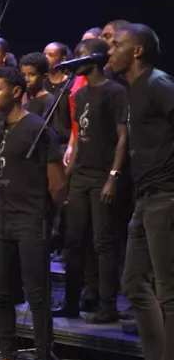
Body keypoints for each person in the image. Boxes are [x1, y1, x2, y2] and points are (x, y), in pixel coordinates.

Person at [0, 67, 65, 360]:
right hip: (3, 219)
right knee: (0, 291)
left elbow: (57, 184)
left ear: (16, 91)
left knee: (37, 296)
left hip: (31, 219)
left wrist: (50, 217)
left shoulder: (37, 128)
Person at [106, 24, 174, 360]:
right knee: (134, 283)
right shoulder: (132, 90)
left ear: (138, 51)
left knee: (169, 294)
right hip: (146, 198)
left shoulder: (158, 84)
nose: (109, 50)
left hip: (166, 197)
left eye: (117, 44)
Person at [56, 38, 127, 324]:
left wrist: (113, 177)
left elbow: (123, 137)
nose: (75, 58)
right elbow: (79, 139)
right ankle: (73, 301)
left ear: (95, 58)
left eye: (80, 54)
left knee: (103, 242)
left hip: (102, 175)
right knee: (74, 241)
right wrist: (67, 178)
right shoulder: (82, 94)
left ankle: (108, 305)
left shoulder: (114, 92)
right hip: (81, 176)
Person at [19, 52, 51, 118]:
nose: (26, 79)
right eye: (23, 74)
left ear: (44, 77)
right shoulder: (25, 99)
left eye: (32, 75)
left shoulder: (49, 101)